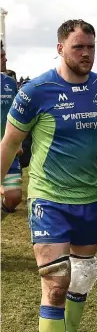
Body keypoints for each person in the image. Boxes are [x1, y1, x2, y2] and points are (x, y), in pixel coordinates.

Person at [1, 19, 97, 332]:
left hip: (88, 201)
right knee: (56, 285)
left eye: (91, 47)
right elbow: (10, 144)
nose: (87, 54)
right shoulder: (35, 92)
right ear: (61, 47)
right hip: (49, 200)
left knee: (84, 279)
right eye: (79, 47)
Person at [1, 41, 22, 216]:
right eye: (1, 56)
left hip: (8, 146)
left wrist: (19, 142)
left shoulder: (9, 82)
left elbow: (17, 114)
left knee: (14, 197)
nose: (5, 58)